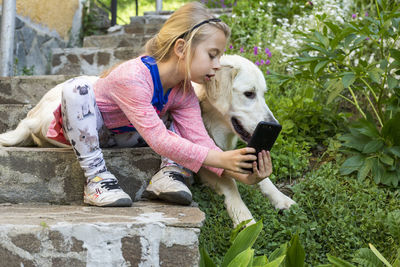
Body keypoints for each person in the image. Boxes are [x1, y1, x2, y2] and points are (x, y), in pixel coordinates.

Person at [46, 1, 273, 207]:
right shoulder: (133, 76)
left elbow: (199, 138)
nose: (217, 65)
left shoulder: (184, 92)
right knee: (77, 87)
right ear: (182, 48)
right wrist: (223, 159)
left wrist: (242, 173)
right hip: (89, 132)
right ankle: (96, 179)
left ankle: (168, 175)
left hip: (128, 137)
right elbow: (158, 139)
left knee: (176, 119)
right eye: (212, 55)